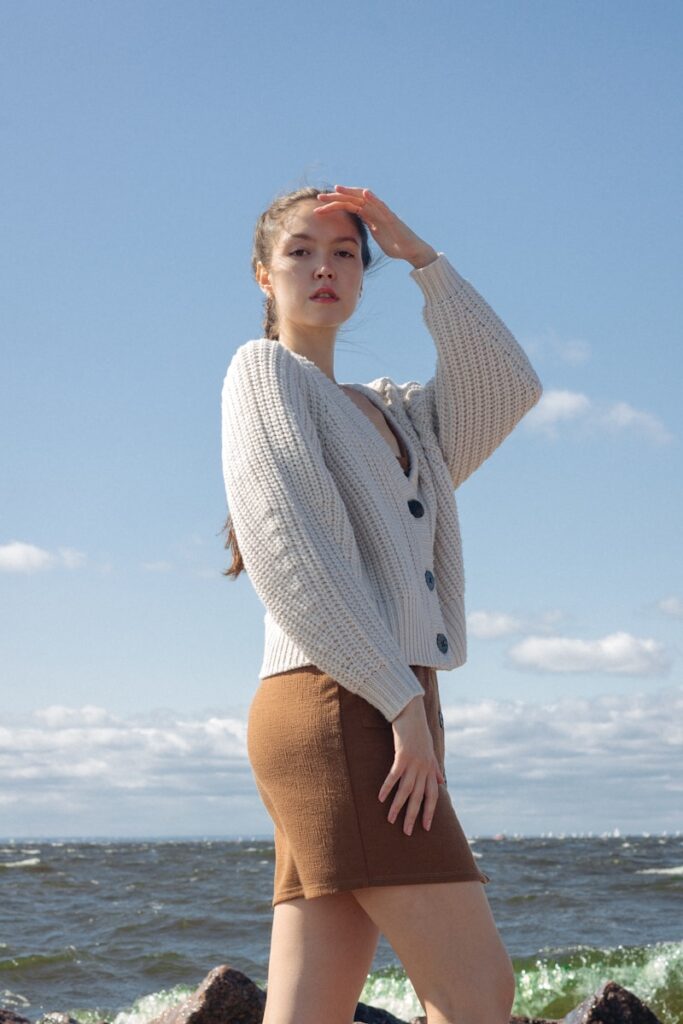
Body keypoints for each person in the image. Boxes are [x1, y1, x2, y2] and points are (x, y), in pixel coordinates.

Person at [220, 183, 543, 1024]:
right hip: (343, 702)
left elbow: (508, 383)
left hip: (374, 704)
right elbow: (292, 558)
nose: (323, 268)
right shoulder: (262, 374)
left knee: (310, 1005)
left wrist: (418, 256)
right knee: (476, 992)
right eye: (299, 251)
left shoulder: (397, 412)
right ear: (262, 275)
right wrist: (401, 709)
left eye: (343, 253)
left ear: (363, 276)